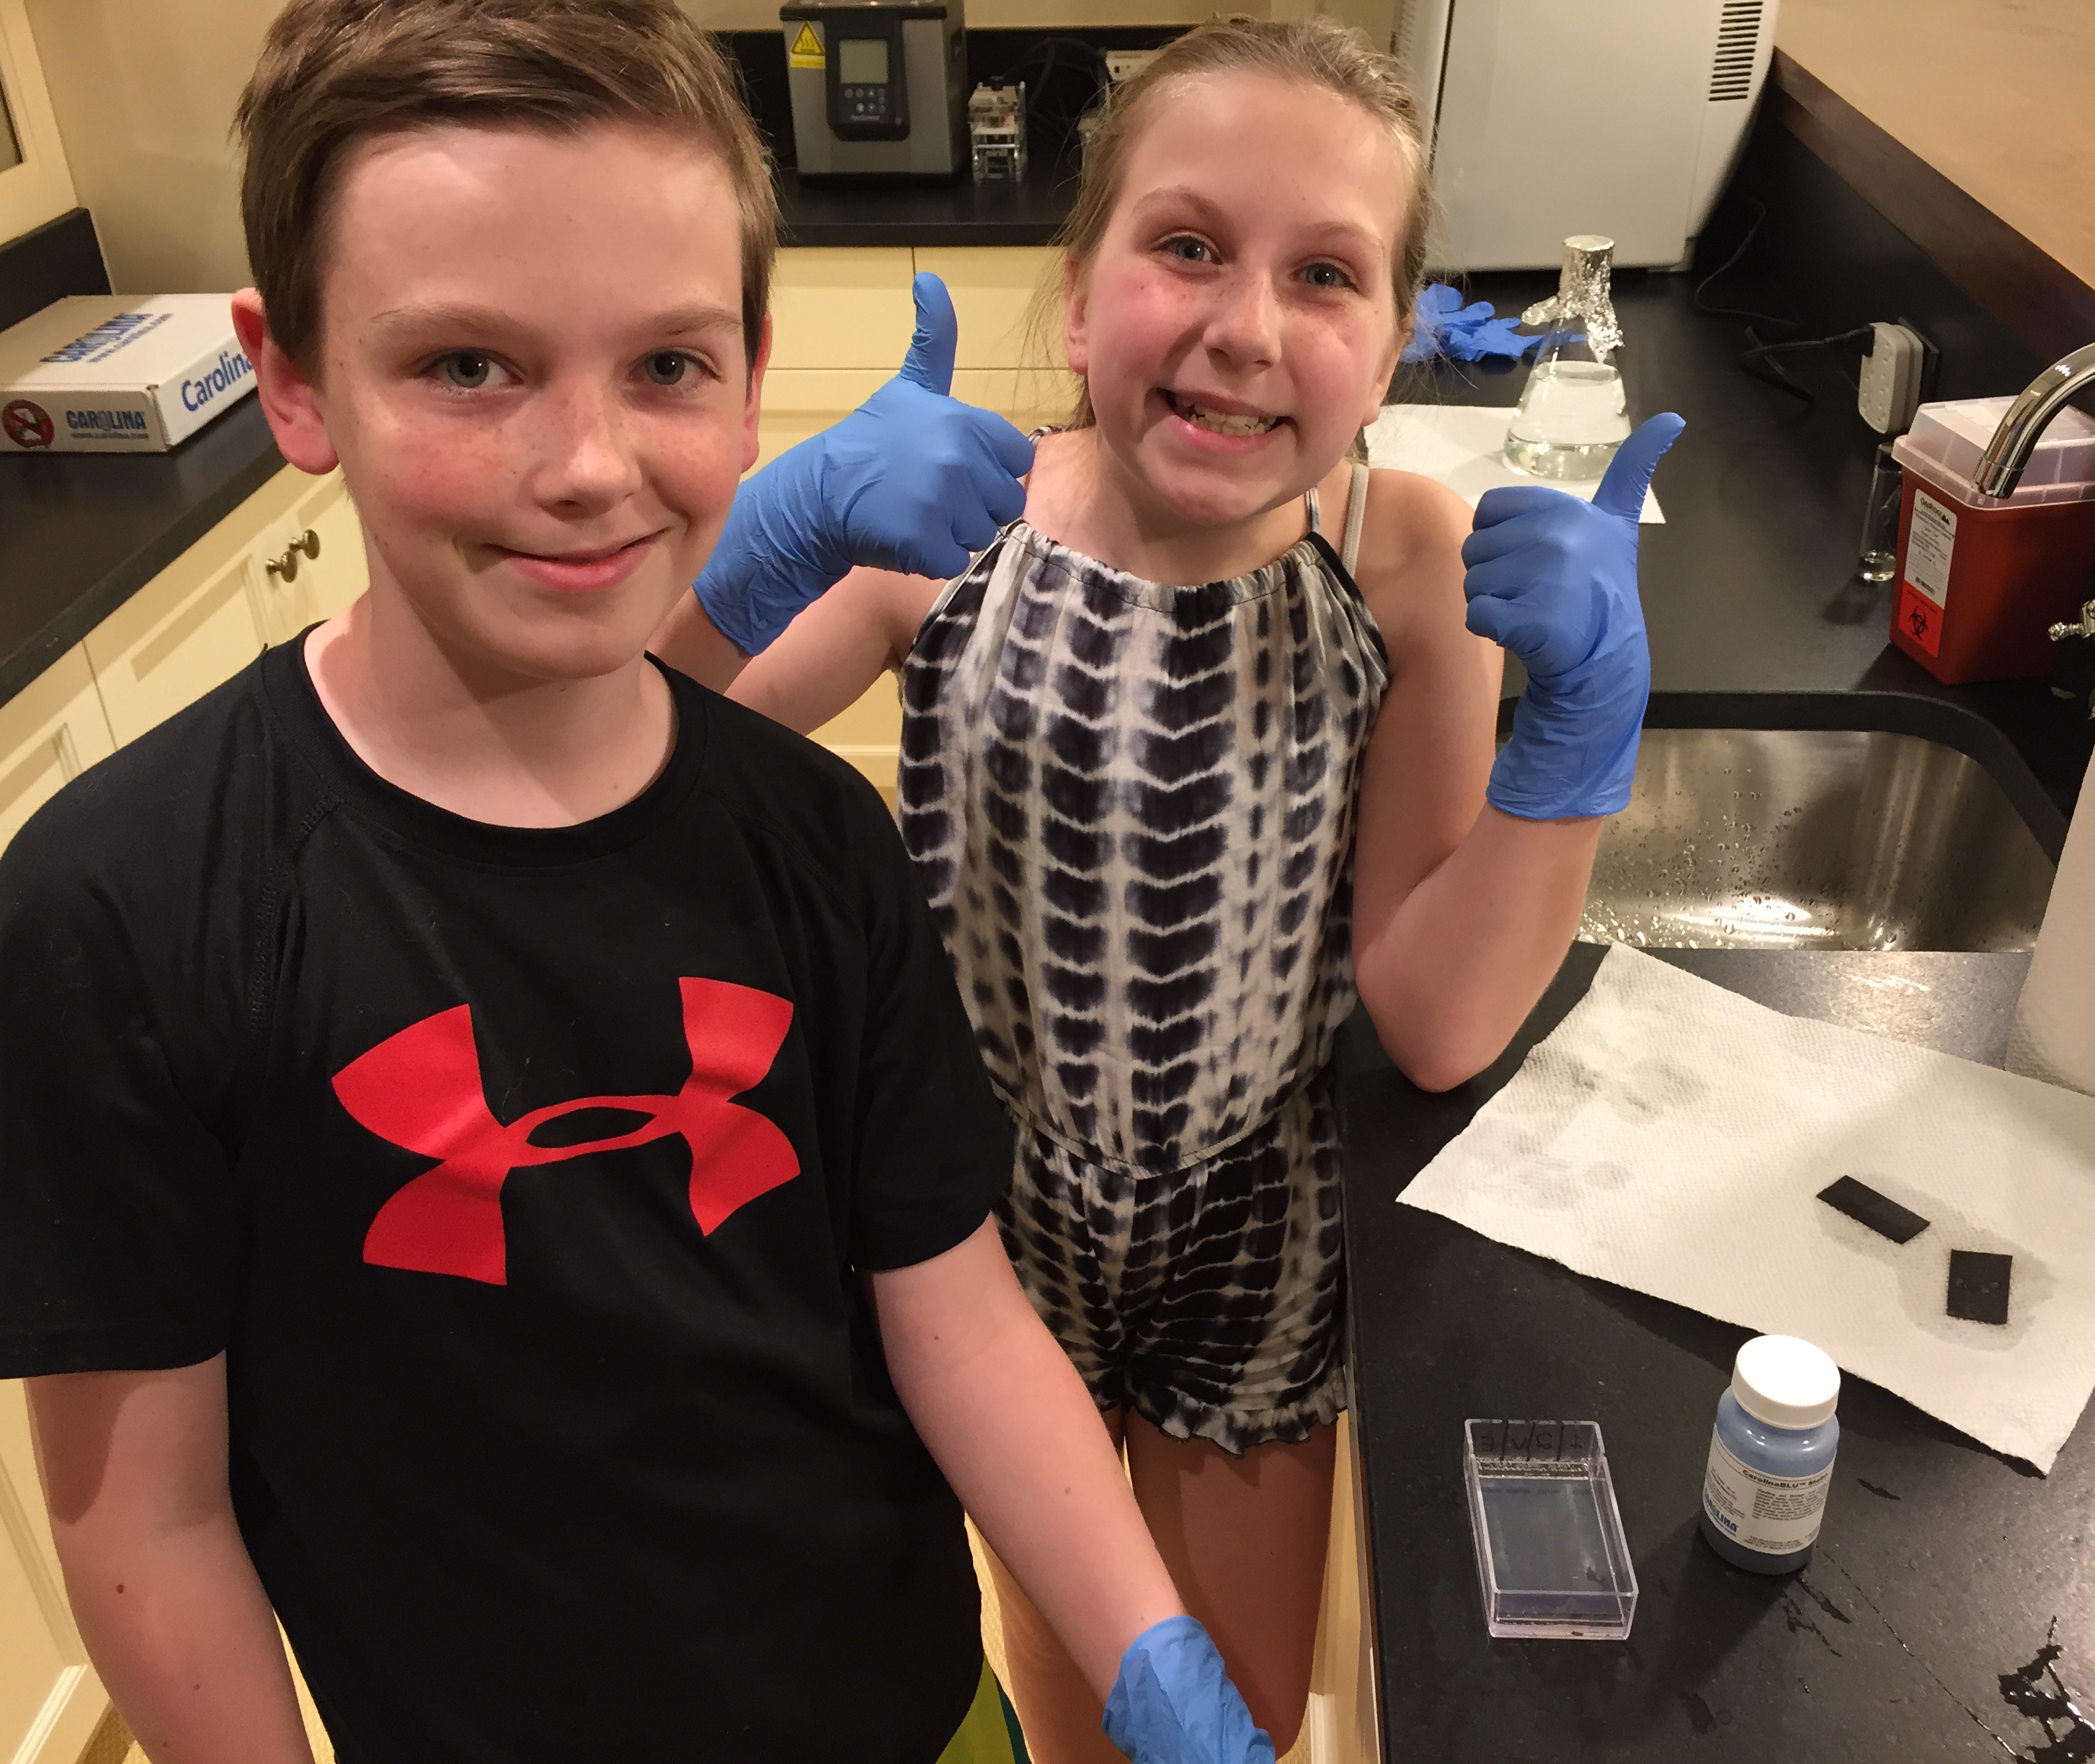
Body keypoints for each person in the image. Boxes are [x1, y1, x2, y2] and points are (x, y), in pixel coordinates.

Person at [0, 3, 1276, 1760]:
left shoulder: (816, 843)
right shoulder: (122, 909)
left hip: (915, 1723)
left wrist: (1151, 1662)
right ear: (295, 377)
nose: (584, 469)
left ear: (753, 364)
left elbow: (953, 1321)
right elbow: (149, 1525)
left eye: (666, 367)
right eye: (467, 367)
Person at [650, 17, 1682, 1760]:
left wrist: (1574, 748)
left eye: (1327, 277)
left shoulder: (1399, 560)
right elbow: (638, 785)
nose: (1243, 325)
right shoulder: (950, 529)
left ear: (1393, 347)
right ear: (1079, 289)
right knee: (1067, 1694)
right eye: (1188, 244)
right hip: (978, 1242)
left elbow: (1432, 1020)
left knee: (1242, 1709)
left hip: (1258, 1249)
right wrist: (766, 539)